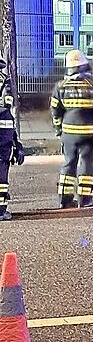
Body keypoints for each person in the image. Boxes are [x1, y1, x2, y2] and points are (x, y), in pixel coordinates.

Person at [50, 50, 93, 208]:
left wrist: (59, 130)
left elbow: (56, 111)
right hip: (88, 133)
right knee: (87, 163)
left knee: (69, 163)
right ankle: (85, 199)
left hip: (68, 133)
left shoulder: (60, 87)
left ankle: (65, 199)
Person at [0, 57, 25, 221]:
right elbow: (7, 108)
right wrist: (16, 145)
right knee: (1, 174)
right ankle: (1, 211)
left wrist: (17, 144)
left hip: (5, 134)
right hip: (3, 136)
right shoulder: (5, 81)